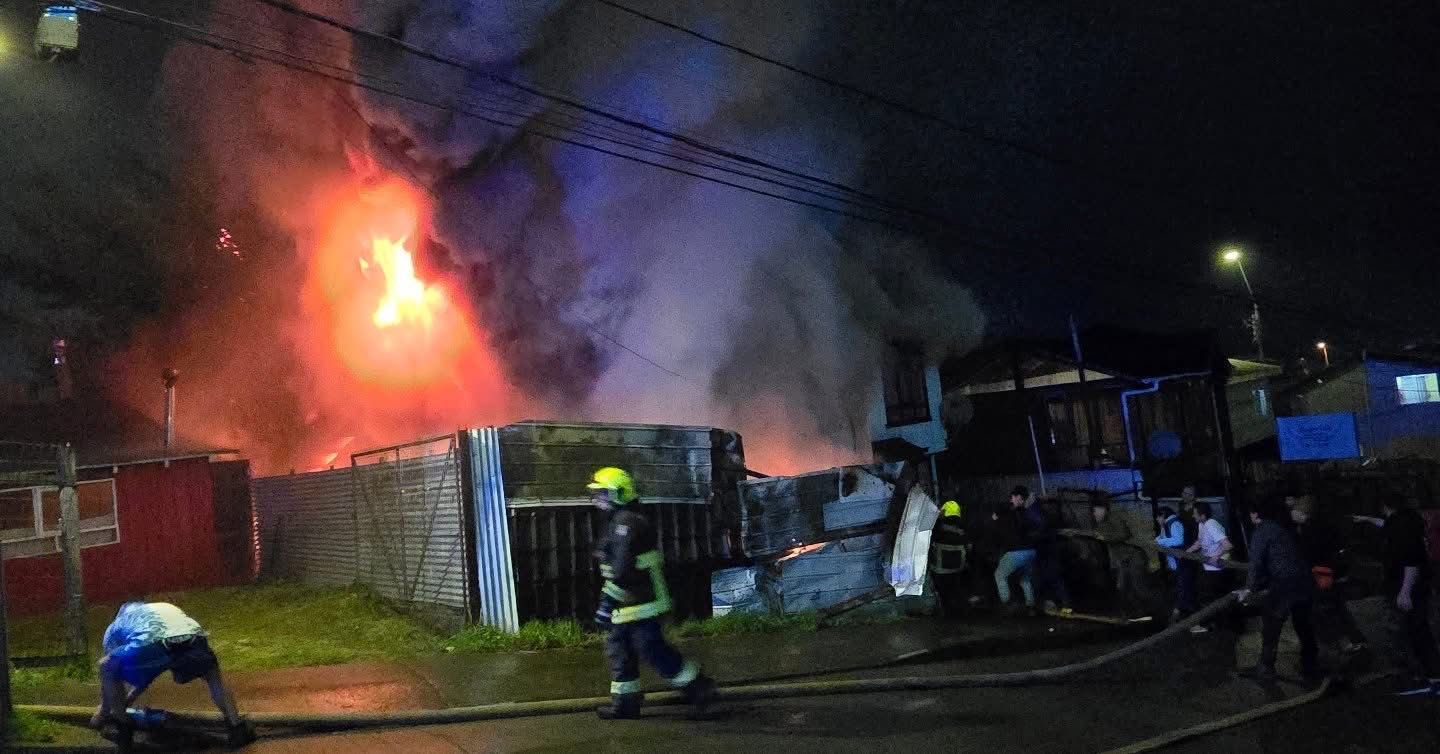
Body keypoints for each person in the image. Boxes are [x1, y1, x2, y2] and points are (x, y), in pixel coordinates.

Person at [588, 466, 716, 719]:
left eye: (603, 493)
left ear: (619, 493)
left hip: (643, 602)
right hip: (623, 605)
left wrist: (605, 603)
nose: (598, 499)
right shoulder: (617, 521)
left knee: (651, 649)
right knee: (619, 653)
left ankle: (700, 689)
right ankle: (626, 704)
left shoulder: (628, 523)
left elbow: (622, 570)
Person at [90, 601, 254, 748]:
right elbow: (157, 665)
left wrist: (104, 711)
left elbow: (111, 677)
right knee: (212, 675)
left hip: (152, 642)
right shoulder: (164, 606)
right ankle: (236, 727)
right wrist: (129, 699)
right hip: (193, 638)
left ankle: (124, 728)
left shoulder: (117, 625)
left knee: (106, 666)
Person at [1354, 496, 1440, 696]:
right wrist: (1367, 519)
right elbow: (1388, 526)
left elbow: (1411, 561)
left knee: (1411, 632)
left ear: (1385, 505)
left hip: (1407, 586)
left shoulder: (1401, 528)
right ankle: (1429, 674)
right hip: (1417, 586)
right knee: (1417, 630)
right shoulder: (1408, 521)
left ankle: (1423, 676)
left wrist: (1405, 591)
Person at [1236, 500, 1319, 681]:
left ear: (1254, 514)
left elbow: (1256, 564)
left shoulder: (1261, 531)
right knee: (1302, 623)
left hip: (1285, 583)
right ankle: (1312, 665)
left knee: (1271, 623)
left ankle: (1266, 667)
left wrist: (1248, 589)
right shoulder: (1278, 528)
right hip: (1304, 580)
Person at [1290, 496, 1367, 652]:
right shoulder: (1324, 526)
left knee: (1326, 612)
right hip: (1332, 574)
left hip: (1318, 576)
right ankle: (1354, 642)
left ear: (1301, 512)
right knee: (1337, 608)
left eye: (1293, 510)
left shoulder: (1308, 531)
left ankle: (1342, 646)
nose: (1291, 513)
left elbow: (1307, 555)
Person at [1186, 500, 1232, 634]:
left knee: (1209, 598)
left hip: (1217, 569)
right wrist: (1187, 552)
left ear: (1203, 515)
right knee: (1209, 597)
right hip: (1208, 567)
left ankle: (1209, 624)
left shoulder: (1212, 525)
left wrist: (1217, 556)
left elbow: (1228, 546)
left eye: (1195, 514)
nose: (1193, 516)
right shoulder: (1202, 524)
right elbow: (1200, 542)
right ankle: (1217, 624)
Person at [1091, 501, 1144, 616]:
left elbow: (1123, 533)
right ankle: (1128, 612)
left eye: (1095, 511)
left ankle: (1143, 611)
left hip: (1132, 557)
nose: (1094, 514)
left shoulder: (1114, 518)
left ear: (1103, 509)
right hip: (1121, 559)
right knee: (1122, 586)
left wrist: (1105, 537)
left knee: (1136, 585)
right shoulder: (1100, 524)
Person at [993, 487, 1038, 615]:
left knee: (999, 575)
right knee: (1025, 579)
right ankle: (1031, 607)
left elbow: (995, 519)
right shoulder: (1025, 513)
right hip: (1031, 551)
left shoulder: (1007, 511)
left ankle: (1006, 604)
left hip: (1016, 551)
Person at [930, 500, 971, 618]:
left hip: (940, 570)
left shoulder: (937, 531)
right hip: (958, 569)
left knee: (943, 593)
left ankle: (946, 612)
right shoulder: (963, 532)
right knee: (956, 589)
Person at [1155, 506, 1197, 619]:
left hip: (1183, 559)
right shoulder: (1167, 525)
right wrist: (1158, 540)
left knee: (1184, 586)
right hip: (1178, 561)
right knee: (1182, 585)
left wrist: (1160, 541)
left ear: (1163, 515)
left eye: (1158, 517)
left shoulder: (1174, 523)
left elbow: (1178, 540)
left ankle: (1185, 612)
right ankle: (1183, 611)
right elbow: (1163, 537)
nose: (1157, 520)